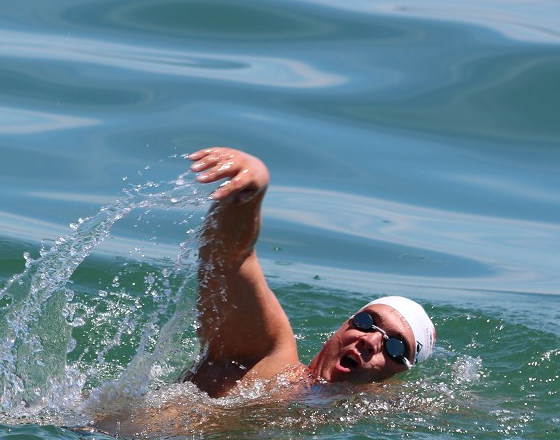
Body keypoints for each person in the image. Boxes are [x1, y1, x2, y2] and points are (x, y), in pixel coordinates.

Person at [182, 147, 436, 397]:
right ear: (341, 328)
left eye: (394, 347)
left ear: (391, 381)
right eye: (366, 322)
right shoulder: (265, 360)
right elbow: (230, 256)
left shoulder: (346, 421)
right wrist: (250, 192)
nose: (370, 341)